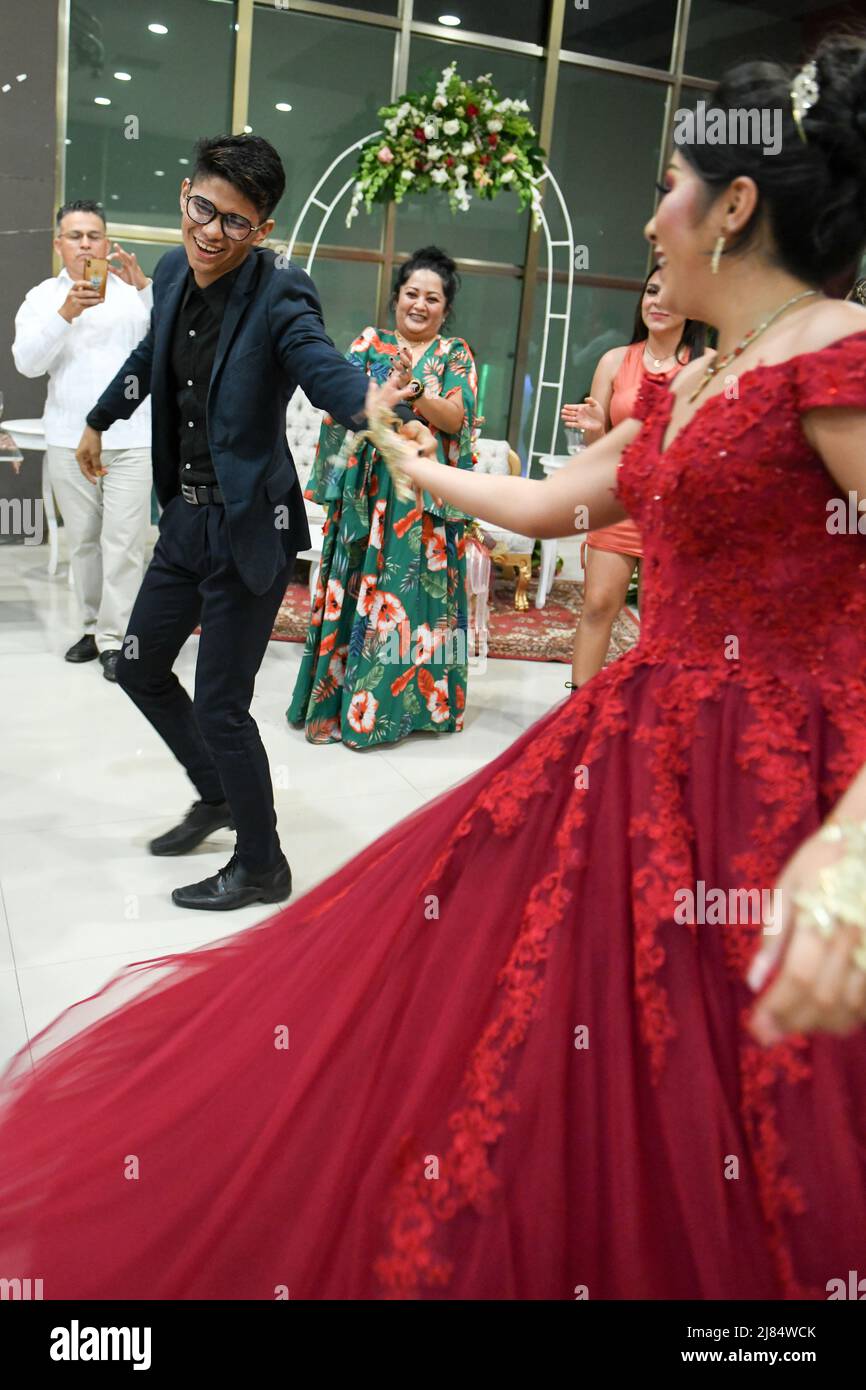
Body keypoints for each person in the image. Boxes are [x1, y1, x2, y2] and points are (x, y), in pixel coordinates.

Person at [2, 36, 866, 1299]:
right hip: (642, 745)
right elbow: (548, 502)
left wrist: (846, 857)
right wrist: (406, 458)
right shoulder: (692, 381)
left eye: (669, 183)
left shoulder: (834, 356)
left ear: (732, 205)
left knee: (734, 1084)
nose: (648, 216)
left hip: (786, 779)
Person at [74, 134, 422, 911]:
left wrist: (363, 403)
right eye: (203, 208)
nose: (211, 232)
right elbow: (148, 359)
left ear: (261, 230)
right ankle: (216, 794)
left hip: (249, 528)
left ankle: (262, 863)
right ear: (185, 196)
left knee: (222, 703)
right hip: (185, 522)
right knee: (137, 666)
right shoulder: (169, 273)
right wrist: (100, 419)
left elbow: (313, 357)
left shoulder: (281, 293)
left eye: (235, 222)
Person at [288, 246, 477, 748]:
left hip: (425, 500)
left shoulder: (455, 354)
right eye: (411, 293)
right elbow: (341, 404)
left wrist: (413, 392)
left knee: (415, 599)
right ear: (396, 297)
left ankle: (410, 709)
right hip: (368, 493)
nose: (420, 304)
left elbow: (456, 419)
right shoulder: (370, 344)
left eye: (432, 298)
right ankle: (337, 705)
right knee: (360, 593)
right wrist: (382, 395)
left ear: (445, 307)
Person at [12, 200, 153, 681]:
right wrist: (65, 312)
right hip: (69, 439)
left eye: (94, 235)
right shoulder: (41, 298)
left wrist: (147, 290)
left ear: (106, 242)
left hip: (132, 437)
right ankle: (92, 628)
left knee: (125, 543)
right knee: (84, 543)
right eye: (75, 236)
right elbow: (27, 362)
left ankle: (117, 639)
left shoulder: (133, 295)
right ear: (59, 244)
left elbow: (168, 345)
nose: (86, 244)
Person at [561, 268, 706, 687]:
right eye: (651, 291)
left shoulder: (706, 367)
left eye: (670, 293)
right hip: (617, 501)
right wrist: (593, 429)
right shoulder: (613, 361)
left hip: (675, 512)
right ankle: (579, 712)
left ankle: (650, 718)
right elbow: (598, 452)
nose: (657, 301)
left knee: (660, 622)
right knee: (597, 607)